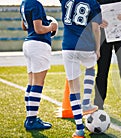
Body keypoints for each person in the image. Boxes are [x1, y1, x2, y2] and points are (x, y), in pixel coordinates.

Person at [60, 0, 102, 137]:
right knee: (90, 67)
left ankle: (79, 130)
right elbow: (96, 28)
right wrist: (98, 48)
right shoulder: (93, 3)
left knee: (73, 89)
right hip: (85, 45)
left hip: (68, 46)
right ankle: (87, 102)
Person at [20, 0, 58, 130]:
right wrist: (52, 27)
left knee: (31, 83)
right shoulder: (36, 4)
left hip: (29, 43)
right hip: (38, 44)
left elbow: (24, 26)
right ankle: (31, 120)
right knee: (37, 84)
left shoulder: (24, 3)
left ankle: (30, 117)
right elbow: (39, 29)